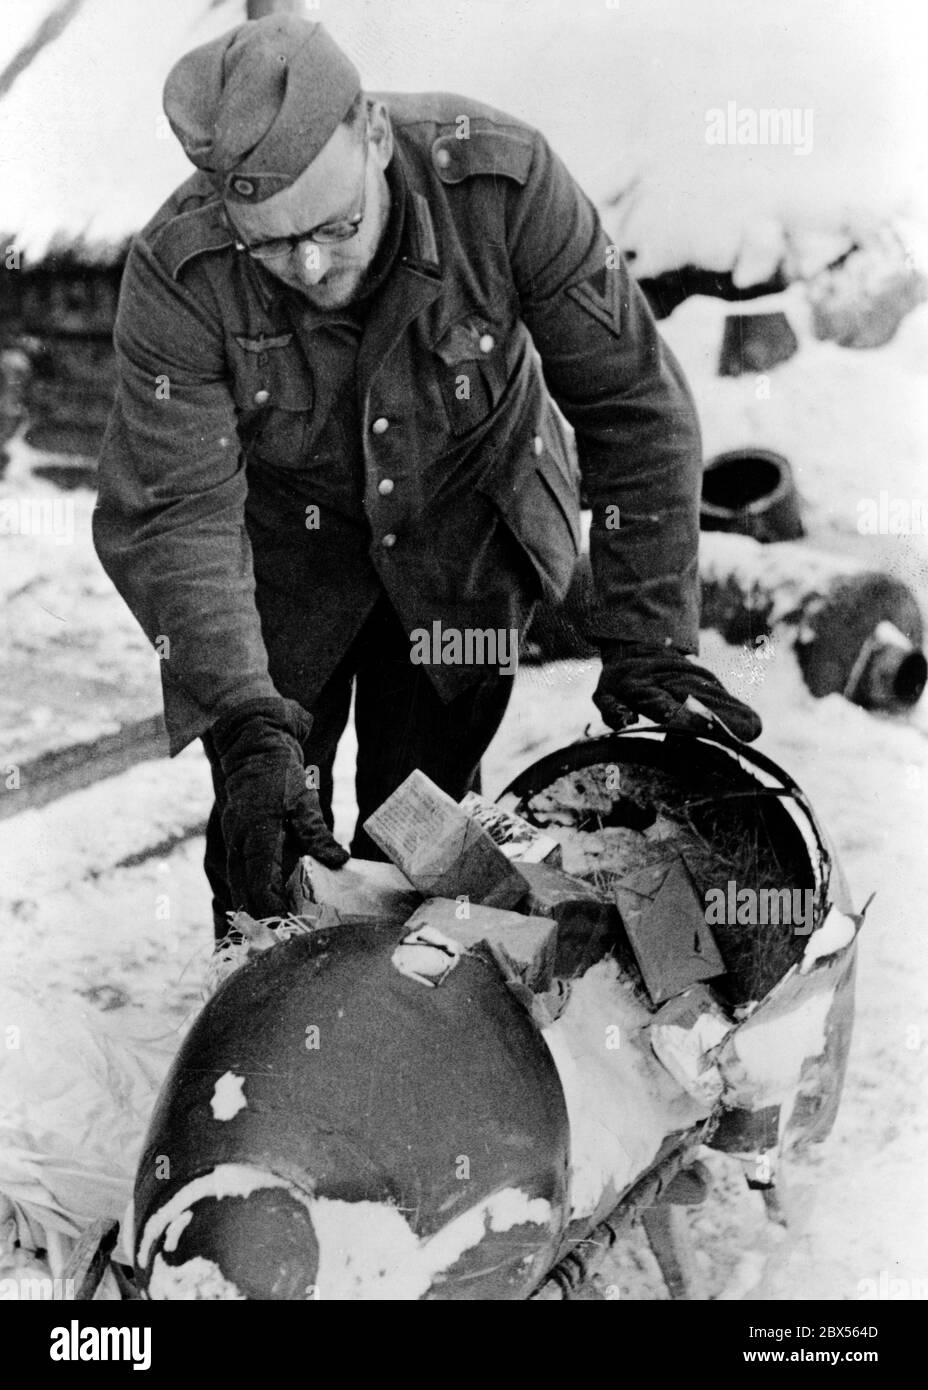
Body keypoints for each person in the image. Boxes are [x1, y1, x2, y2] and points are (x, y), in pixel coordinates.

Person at [93, 15, 761, 935]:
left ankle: (429, 1027)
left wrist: (649, 640)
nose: (314, 265)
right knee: (270, 827)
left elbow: (634, 406)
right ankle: (264, 1027)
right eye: (275, 247)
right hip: (290, 564)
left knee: (427, 826)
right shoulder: (180, 271)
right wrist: (245, 720)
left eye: (335, 226)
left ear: (371, 134)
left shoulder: (504, 186)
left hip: (466, 539)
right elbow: (174, 512)